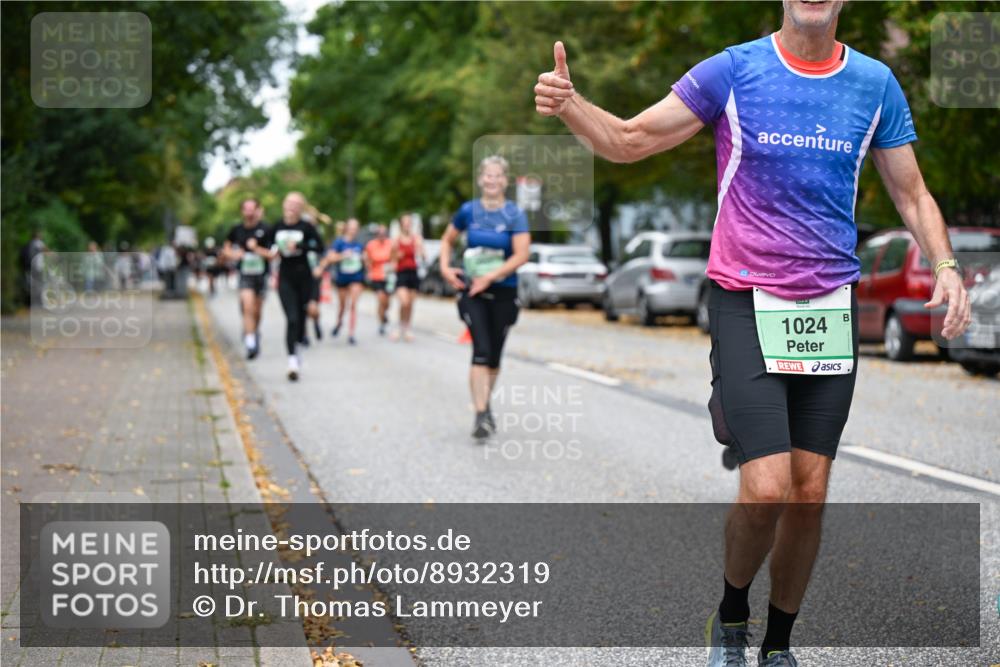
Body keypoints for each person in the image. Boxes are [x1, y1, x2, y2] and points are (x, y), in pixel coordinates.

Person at [534, 2, 971, 665]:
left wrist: (944, 264)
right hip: (745, 296)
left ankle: (778, 643)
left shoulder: (875, 83)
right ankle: (731, 614)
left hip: (827, 306)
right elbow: (628, 139)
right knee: (766, 486)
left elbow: (912, 194)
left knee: (810, 492)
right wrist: (571, 105)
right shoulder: (734, 71)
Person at [440, 156, 530, 439]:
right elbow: (447, 240)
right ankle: (480, 415)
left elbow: (522, 254)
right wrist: (444, 267)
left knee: (494, 357)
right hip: (472, 293)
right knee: (480, 349)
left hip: (503, 292)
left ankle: (486, 404)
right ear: (480, 179)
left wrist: (491, 277)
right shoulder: (468, 211)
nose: (492, 181)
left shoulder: (515, 214)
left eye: (497, 176)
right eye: (487, 176)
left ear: (505, 181)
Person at [260, 192, 324, 381]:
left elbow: (318, 247)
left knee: (302, 320)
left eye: (297, 204)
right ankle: (292, 361)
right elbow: (267, 245)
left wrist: (300, 245)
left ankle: (298, 347)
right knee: (292, 319)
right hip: (285, 277)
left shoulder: (307, 227)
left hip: (305, 277)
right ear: (284, 205)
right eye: (289, 203)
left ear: (302, 207)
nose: (292, 207)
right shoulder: (277, 226)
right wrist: (272, 251)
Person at [224, 198, 271, 359]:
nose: (249, 212)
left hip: (261, 274)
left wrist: (256, 249)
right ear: (242, 211)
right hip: (245, 275)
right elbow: (226, 249)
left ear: (257, 210)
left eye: (252, 209)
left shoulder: (266, 229)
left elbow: (273, 255)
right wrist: (234, 254)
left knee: (257, 311)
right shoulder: (237, 229)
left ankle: (254, 332)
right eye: (246, 209)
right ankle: (250, 343)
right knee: (248, 307)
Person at [319, 218, 365, 346]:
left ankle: (351, 333)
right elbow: (330, 258)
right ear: (346, 228)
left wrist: (364, 258)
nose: (353, 231)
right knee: (343, 305)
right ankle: (339, 323)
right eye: (351, 228)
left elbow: (366, 260)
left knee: (354, 304)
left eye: (356, 228)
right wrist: (343, 255)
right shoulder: (339, 243)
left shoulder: (359, 245)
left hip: (356, 277)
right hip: (342, 277)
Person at [391, 212, 424, 342]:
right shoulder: (396, 240)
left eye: (409, 222)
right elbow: (391, 257)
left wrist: (421, 250)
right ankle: (400, 326)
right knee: (404, 302)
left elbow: (423, 255)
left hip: (413, 273)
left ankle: (408, 327)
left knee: (410, 303)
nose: (407, 225)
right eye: (405, 222)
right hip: (401, 273)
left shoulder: (416, 239)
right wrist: (397, 256)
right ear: (401, 225)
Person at [365, 223, 394, 336]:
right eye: (380, 233)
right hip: (376, 276)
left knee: (387, 302)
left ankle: (384, 314)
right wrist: (368, 269)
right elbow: (367, 259)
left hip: (388, 276)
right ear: (376, 234)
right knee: (381, 298)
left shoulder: (390, 243)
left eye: (384, 233)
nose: (382, 235)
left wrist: (393, 265)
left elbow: (395, 257)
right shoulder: (371, 245)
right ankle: (381, 323)